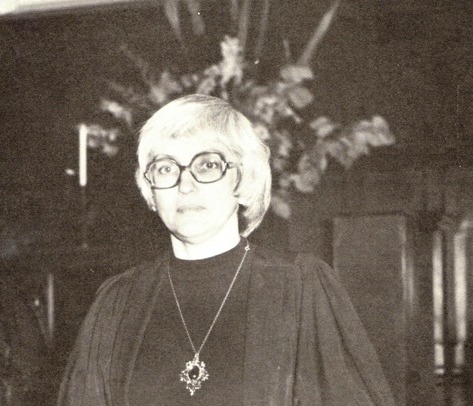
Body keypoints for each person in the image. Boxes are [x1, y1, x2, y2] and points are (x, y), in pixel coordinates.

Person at [57, 94, 395, 405]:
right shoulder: (118, 302)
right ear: (150, 189)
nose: (185, 185)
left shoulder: (300, 286)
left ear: (242, 178)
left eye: (207, 164)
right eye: (166, 168)